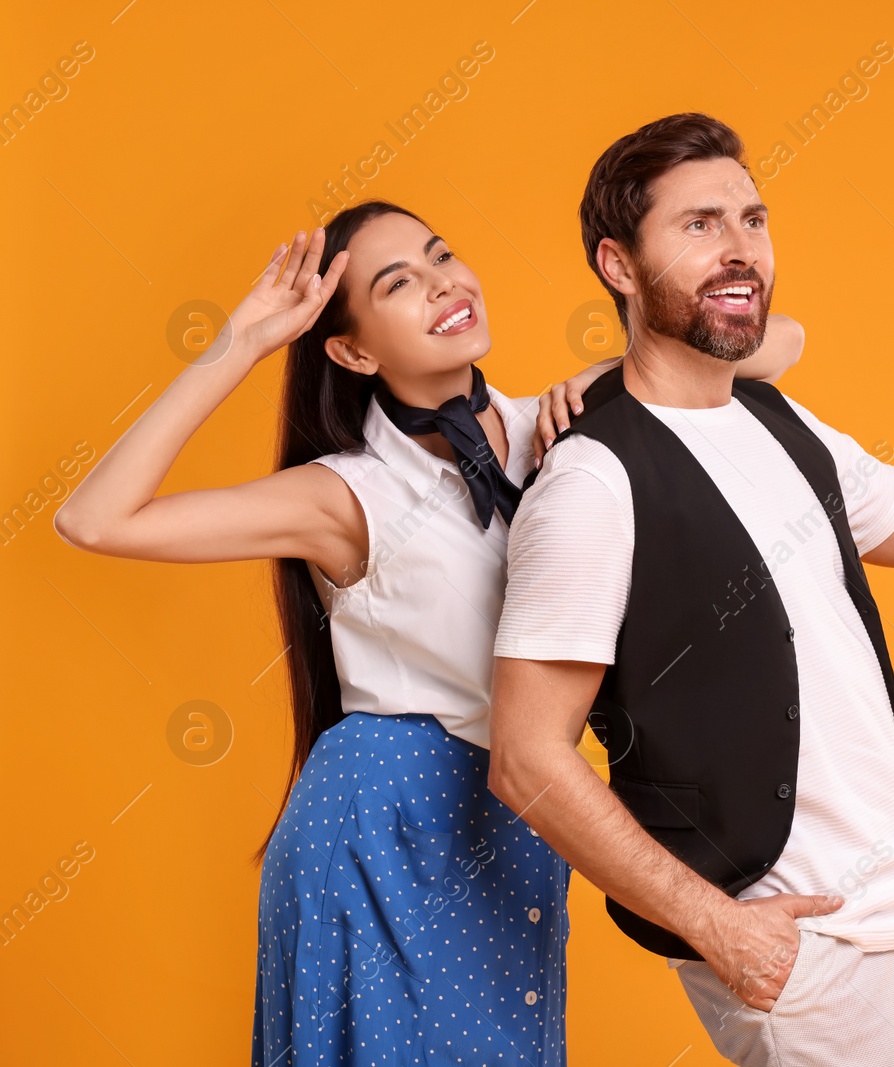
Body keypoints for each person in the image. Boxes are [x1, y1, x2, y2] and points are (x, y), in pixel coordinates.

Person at [51, 199, 803, 1065]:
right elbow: (94, 518)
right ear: (353, 349)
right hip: (382, 817)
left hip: (515, 813)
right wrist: (246, 340)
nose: (444, 282)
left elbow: (778, 340)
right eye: (399, 282)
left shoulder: (557, 428)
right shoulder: (347, 495)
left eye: (442, 255)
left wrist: (610, 371)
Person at [487, 113, 894, 1065]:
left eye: (752, 217)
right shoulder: (593, 479)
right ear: (618, 265)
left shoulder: (782, 422)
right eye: (699, 225)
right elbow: (529, 760)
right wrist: (724, 931)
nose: (739, 247)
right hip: (812, 957)